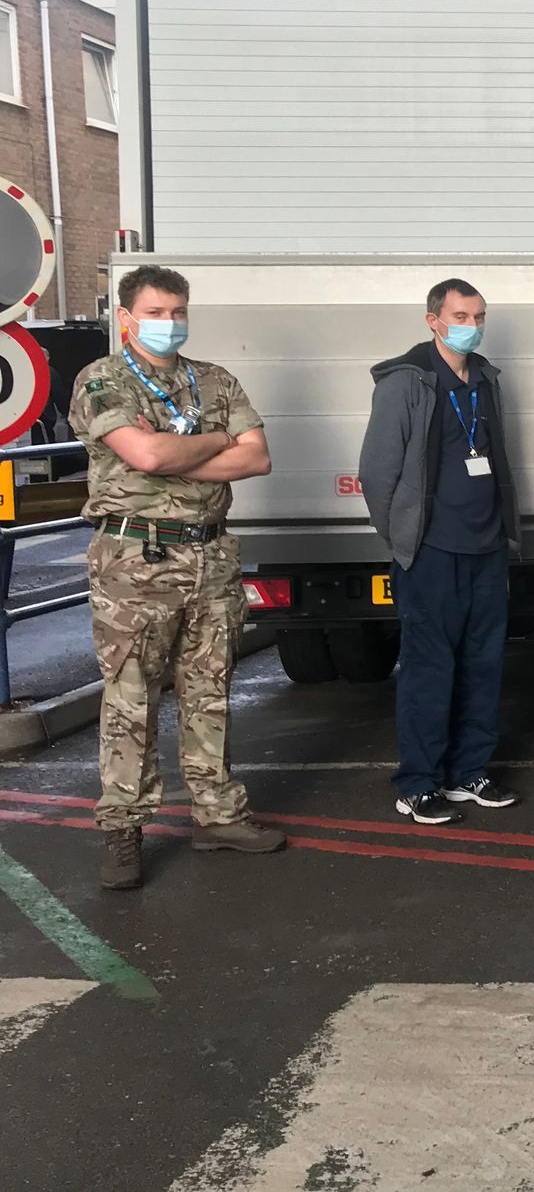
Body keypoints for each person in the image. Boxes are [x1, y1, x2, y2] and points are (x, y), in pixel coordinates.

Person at [70, 265, 287, 889]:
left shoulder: (213, 380)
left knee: (209, 690)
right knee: (132, 698)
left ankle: (218, 816)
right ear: (126, 317)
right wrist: (217, 444)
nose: (170, 323)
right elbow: (146, 454)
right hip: (135, 560)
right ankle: (123, 831)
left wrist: (183, 451)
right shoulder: (103, 380)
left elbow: (259, 457)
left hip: (210, 555)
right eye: (157, 312)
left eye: (178, 311)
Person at [359, 279, 521, 826]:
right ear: (433, 320)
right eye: (459, 315)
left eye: (478, 315)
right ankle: (418, 784)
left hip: (486, 547)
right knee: (430, 669)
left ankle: (468, 773)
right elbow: (377, 475)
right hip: (431, 553)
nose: (470, 325)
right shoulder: (407, 382)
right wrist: (406, 537)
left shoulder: (484, 379)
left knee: (484, 664)